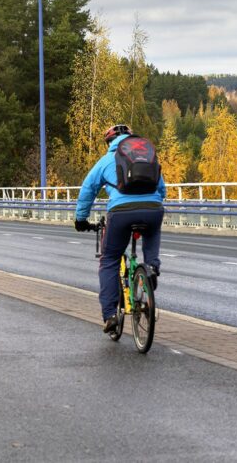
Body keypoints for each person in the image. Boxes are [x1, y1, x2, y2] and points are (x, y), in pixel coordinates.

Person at [75, 123, 167, 333]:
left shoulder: (107, 160)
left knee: (109, 260)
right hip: (153, 209)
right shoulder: (147, 156)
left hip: (121, 213)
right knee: (152, 236)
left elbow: (88, 189)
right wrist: (150, 202)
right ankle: (151, 268)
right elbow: (161, 189)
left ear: (109, 142)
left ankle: (109, 316)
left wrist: (81, 219)